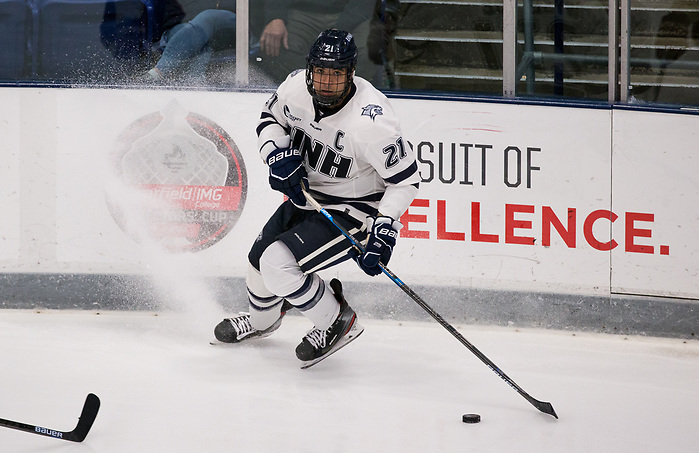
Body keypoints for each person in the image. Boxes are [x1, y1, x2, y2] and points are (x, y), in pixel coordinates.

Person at [213, 29, 420, 366]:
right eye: (320, 72)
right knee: (257, 262)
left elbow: (406, 181)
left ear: (351, 73)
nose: (326, 82)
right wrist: (275, 156)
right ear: (309, 69)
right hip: (309, 195)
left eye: (336, 74)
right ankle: (263, 321)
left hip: (355, 206)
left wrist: (383, 227)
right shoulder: (295, 88)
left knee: (276, 264)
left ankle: (337, 320)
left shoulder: (373, 121)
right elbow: (270, 120)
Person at [255, 0, 385, 85]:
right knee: (276, 46)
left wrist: (342, 26)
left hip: (353, 12)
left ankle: (349, 99)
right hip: (300, 10)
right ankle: (306, 95)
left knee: (370, 49)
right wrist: (276, 16)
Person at [144, 0, 241, 82]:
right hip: (184, 26)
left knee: (208, 17)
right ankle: (195, 87)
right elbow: (171, 13)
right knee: (195, 41)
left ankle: (159, 70)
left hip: (235, 26)